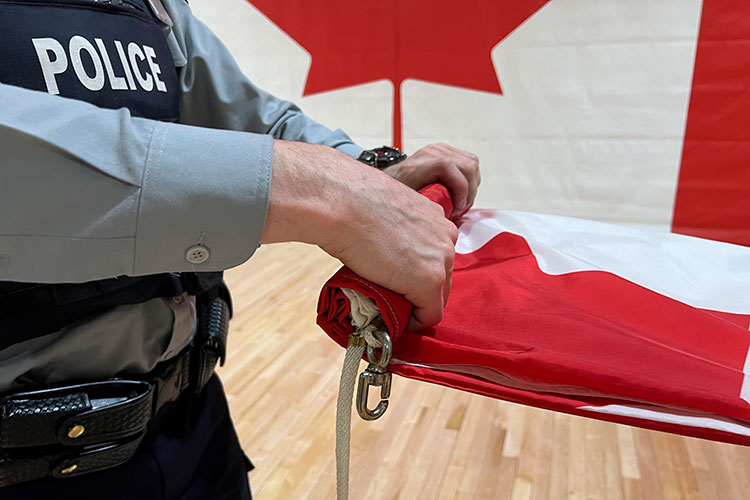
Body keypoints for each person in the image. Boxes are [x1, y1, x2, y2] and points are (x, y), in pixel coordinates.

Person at [0, 0, 480, 498]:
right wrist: (323, 196)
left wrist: (368, 170)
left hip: (195, 426)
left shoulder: (151, 7)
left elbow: (245, 115)